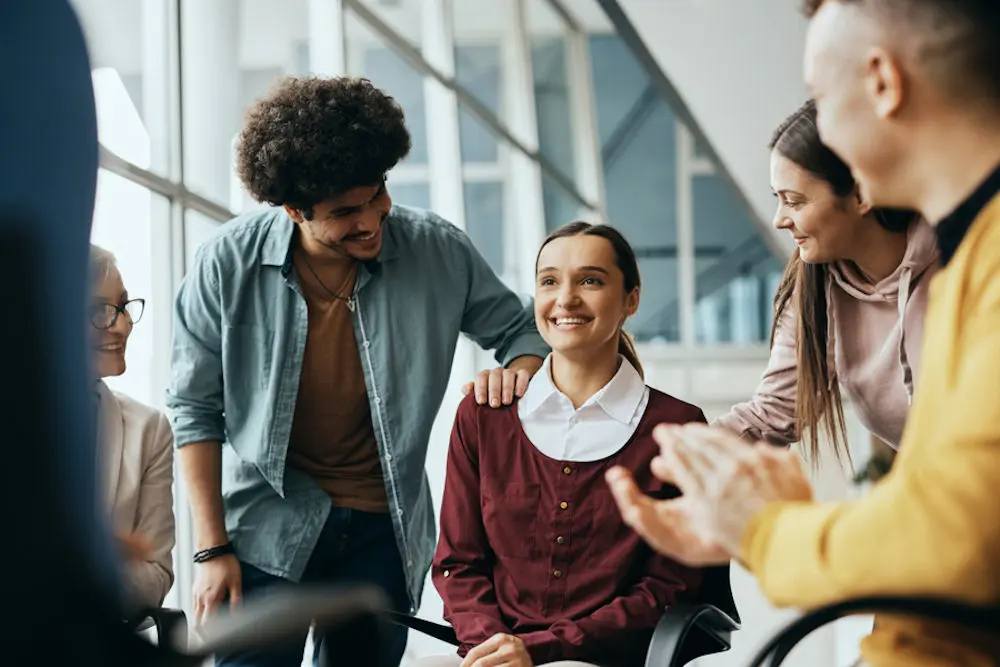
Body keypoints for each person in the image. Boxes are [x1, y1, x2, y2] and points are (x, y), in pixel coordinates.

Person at [607, 0, 1000, 665]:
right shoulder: (974, 258)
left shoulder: (978, 264)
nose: (822, 126)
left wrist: (765, 530)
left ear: (882, 82)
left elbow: (962, 543)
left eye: (820, 93)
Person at [166, 76, 548, 667]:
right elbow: (194, 409)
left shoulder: (438, 251)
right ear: (294, 210)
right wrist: (210, 549)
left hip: (383, 532)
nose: (371, 221)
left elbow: (523, 333)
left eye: (378, 196)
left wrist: (516, 373)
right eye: (346, 212)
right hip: (265, 526)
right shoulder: (227, 262)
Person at [419, 223, 704, 667]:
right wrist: (495, 648)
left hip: (605, 658)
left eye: (590, 280)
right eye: (549, 281)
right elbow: (459, 564)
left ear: (631, 299)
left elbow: (669, 589)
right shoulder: (482, 416)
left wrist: (541, 650)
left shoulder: (677, 428)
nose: (565, 299)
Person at [714, 100, 937, 460]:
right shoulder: (815, 286)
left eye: (794, 201)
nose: (779, 220)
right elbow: (769, 417)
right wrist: (661, 459)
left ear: (862, 194)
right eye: (778, 200)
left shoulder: (964, 259)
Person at [91, 244, 175, 614]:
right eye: (99, 311)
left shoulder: (148, 430)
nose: (123, 325)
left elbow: (155, 575)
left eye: (123, 307)